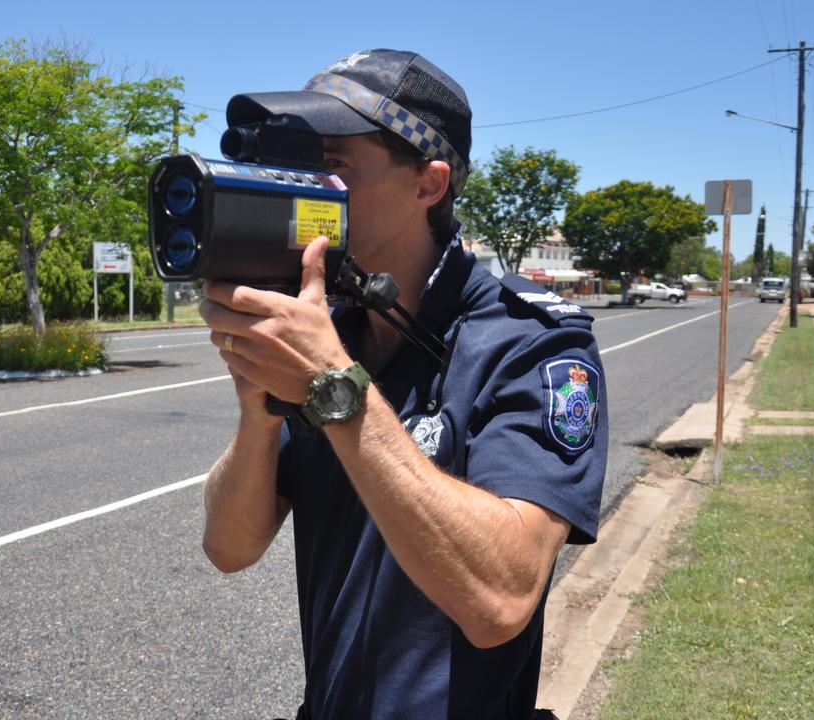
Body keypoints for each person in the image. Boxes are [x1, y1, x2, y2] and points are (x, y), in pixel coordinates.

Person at [199, 49, 607, 720]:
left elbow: (501, 601)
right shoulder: (332, 325)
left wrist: (335, 388)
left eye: (334, 165)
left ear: (429, 183)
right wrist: (259, 407)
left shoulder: (531, 341)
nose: (305, 187)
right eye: (301, 165)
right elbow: (229, 548)